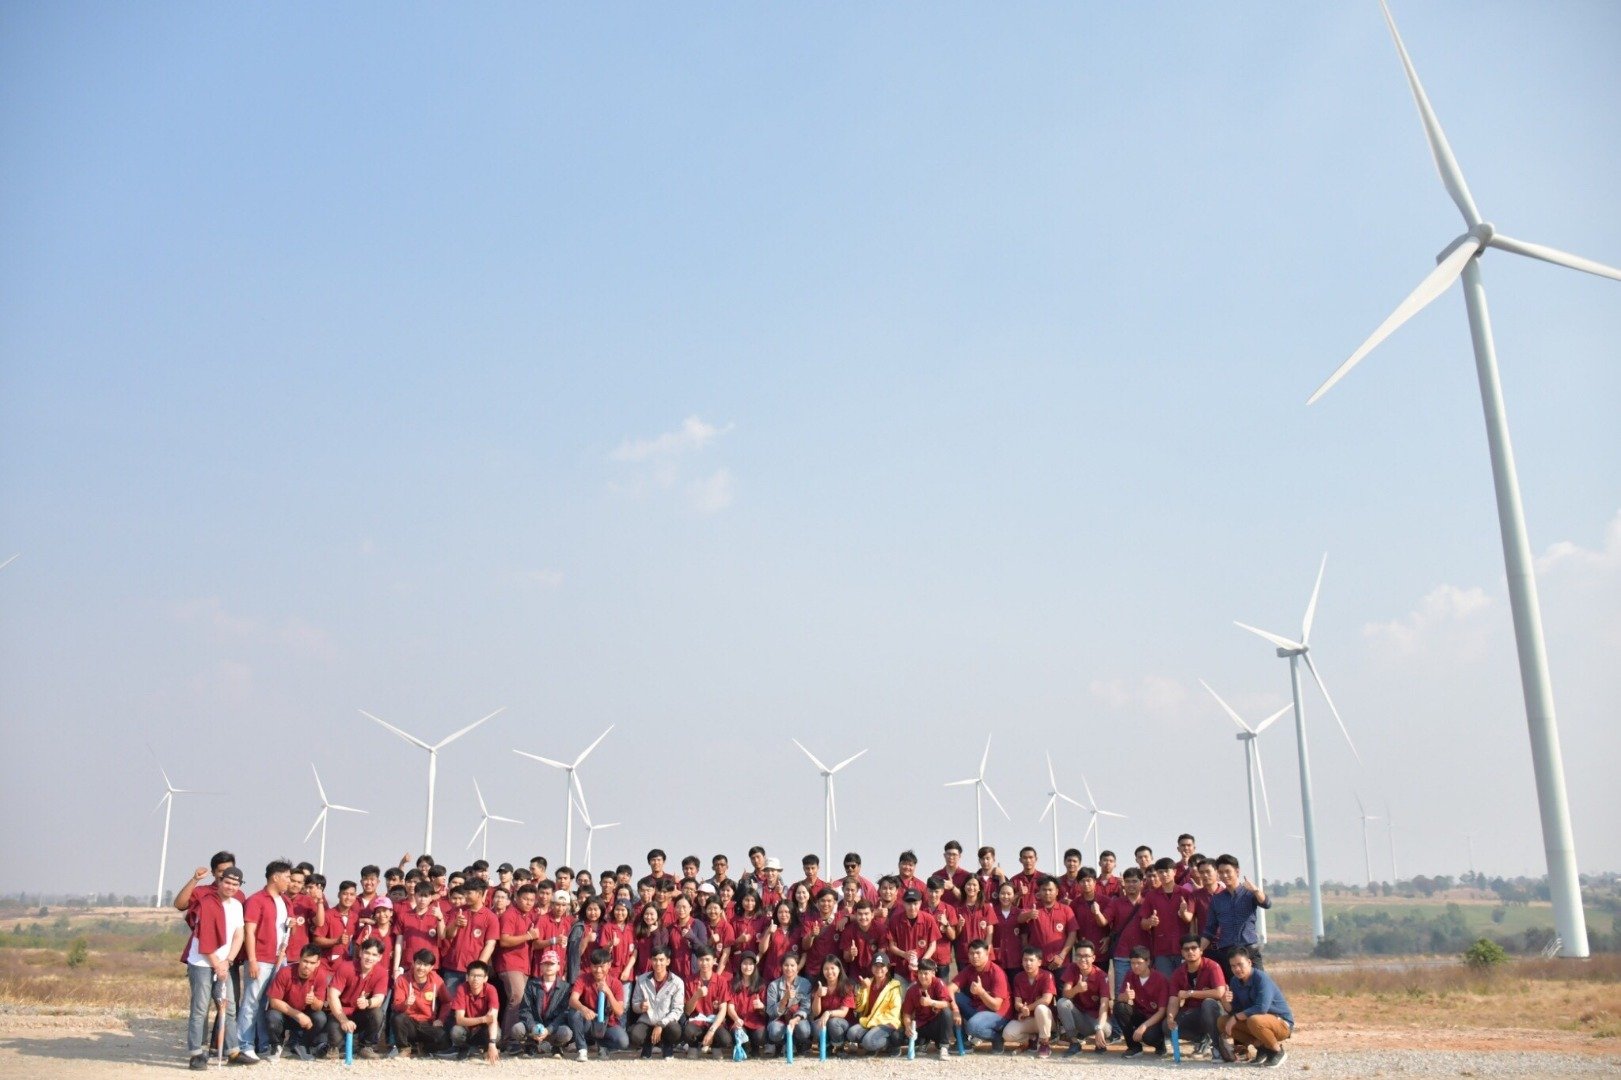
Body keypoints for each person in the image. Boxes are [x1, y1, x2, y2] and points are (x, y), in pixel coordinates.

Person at [182, 865, 248, 1070]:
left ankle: (233, 1051)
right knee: (200, 1009)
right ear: (219, 881)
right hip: (202, 962)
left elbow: (239, 935)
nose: (230, 887)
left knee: (228, 1008)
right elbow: (204, 937)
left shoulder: (237, 905)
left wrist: (228, 961)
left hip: (223, 963)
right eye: (227, 882)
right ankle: (196, 1054)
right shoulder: (207, 902)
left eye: (235, 884)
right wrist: (216, 964)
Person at [237, 859, 292, 1060]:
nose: (289, 881)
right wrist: (251, 959)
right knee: (251, 1002)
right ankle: (245, 1044)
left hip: (279, 960)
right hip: (260, 959)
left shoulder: (286, 901)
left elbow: (288, 928)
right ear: (275, 877)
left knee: (267, 1004)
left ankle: (263, 1044)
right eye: (286, 877)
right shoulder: (256, 900)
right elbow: (249, 932)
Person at [1221, 946, 1293, 1067]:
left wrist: (1235, 1018)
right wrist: (1224, 1001)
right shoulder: (1235, 981)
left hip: (1280, 1023)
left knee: (1254, 1019)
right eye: (1233, 966)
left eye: (1240, 964)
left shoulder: (1261, 978)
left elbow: (1261, 1008)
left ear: (1249, 962)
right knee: (1222, 1021)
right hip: (1256, 1022)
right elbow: (1236, 1010)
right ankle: (1262, 1048)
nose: (1237, 969)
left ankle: (1277, 1051)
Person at [1202, 854, 1271, 978]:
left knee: (1259, 983)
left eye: (1228, 871)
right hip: (1227, 951)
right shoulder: (1216, 900)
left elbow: (1266, 903)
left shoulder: (1249, 893)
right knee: (1234, 989)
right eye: (1221, 872)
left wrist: (1255, 890)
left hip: (1249, 948)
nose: (1224, 875)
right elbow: (1209, 930)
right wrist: (1199, 950)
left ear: (1237, 871)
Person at [1167, 934, 1232, 1061]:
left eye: (1194, 948)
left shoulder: (1212, 966)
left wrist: (1190, 993)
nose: (1190, 951)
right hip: (1193, 1013)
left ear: (1201, 950)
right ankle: (1201, 1039)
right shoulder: (1178, 972)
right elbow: (1173, 999)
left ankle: (1217, 1046)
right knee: (1166, 1026)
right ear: (1182, 952)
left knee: (1208, 1003)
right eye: (1186, 949)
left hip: (1215, 1012)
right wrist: (1170, 1017)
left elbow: (1219, 992)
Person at [324, 937, 388, 1059]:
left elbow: (379, 999)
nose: (369, 958)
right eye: (367, 953)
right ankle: (334, 1047)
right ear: (360, 952)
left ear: (380, 957)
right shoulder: (346, 967)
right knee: (334, 1049)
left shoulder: (382, 972)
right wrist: (343, 1020)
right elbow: (332, 995)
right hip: (340, 1012)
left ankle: (366, 1047)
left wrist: (368, 1002)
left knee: (377, 1013)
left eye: (374, 955)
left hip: (361, 1013)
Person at [264, 945, 329, 1061]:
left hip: (305, 1016)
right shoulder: (285, 972)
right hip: (286, 1015)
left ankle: (302, 1045)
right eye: (305, 961)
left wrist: (313, 1000)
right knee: (272, 1015)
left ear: (318, 963)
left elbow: (319, 1006)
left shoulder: (321, 975)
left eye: (312, 963)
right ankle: (276, 1046)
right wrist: (298, 1015)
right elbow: (273, 1001)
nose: (307, 966)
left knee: (321, 1017)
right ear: (299, 959)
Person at [567, 947, 631, 1060]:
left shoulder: (616, 983)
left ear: (609, 965)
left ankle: (603, 1046)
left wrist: (608, 992)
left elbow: (620, 1011)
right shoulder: (583, 978)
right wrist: (583, 1008)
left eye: (601, 966)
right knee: (574, 1013)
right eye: (595, 966)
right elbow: (573, 1000)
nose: (598, 970)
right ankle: (582, 1049)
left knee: (623, 1042)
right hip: (589, 1021)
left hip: (608, 1024)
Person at [1054, 941, 1111, 1056]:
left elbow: (1104, 1006)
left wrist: (1099, 1028)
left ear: (1093, 958)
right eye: (1079, 956)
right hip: (1080, 1018)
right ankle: (1074, 1042)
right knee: (1062, 1002)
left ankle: (1099, 1040)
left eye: (1086, 956)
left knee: (1105, 1029)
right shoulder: (1072, 968)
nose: (1082, 959)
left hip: (1096, 1020)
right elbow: (1065, 993)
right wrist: (1077, 989)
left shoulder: (1102, 976)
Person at [515, 948, 574, 1056]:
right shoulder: (532, 984)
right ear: (541, 966)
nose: (548, 967)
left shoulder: (565, 987)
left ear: (558, 967)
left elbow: (564, 1013)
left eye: (552, 964)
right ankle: (531, 1044)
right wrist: (533, 1026)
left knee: (566, 1033)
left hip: (554, 1026)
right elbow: (525, 1009)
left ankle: (556, 1046)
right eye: (545, 964)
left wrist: (549, 1029)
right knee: (517, 1029)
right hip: (535, 1024)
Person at [951, 939, 1010, 1048]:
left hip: (999, 1015)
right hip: (979, 1009)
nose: (974, 956)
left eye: (978, 953)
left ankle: (997, 1038)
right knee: (952, 999)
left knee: (973, 1027)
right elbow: (950, 989)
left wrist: (981, 992)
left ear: (987, 953)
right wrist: (955, 1010)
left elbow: (996, 1006)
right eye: (971, 953)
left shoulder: (997, 972)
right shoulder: (970, 969)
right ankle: (963, 1042)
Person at [1114, 946, 1170, 1058]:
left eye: (1139, 963)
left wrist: (1143, 1027)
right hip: (1140, 1014)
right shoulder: (1130, 975)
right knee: (1120, 1007)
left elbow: (1162, 1011)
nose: (1135, 966)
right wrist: (1125, 996)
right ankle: (1134, 1047)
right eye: (1132, 963)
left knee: (1149, 1036)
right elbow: (1119, 997)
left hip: (1155, 1019)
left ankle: (1160, 1045)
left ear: (1148, 961)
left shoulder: (1160, 979)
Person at [630, 945, 685, 1059]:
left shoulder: (677, 982)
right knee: (635, 1035)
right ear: (650, 961)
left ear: (668, 961)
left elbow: (677, 1010)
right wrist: (640, 1006)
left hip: (666, 1023)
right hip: (647, 1021)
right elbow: (634, 1005)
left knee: (675, 1030)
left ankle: (667, 1045)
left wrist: (660, 1024)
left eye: (661, 960)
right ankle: (647, 1045)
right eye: (655, 959)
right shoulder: (642, 979)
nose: (658, 963)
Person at [1001, 947, 1055, 1058]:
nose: (1028, 963)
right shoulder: (1018, 978)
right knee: (1007, 1033)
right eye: (1025, 960)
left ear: (1039, 962)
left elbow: (1046, 999)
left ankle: (1044, 1043)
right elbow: (1017, 1002)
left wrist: (1028, 1008)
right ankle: (1032, 1039)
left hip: (1046, 1020)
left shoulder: (1047, 976)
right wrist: (1022, 1008)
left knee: (1041, 1008)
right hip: (1028, 1019)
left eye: (1031, 960)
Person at [392, 947, 447, 1057]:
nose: (421, 968)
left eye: (426, 965)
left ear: (431, 967)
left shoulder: (437, 980)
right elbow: (396, 1006)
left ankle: (423, 1049)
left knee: (444, 1040)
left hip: (428, 1023)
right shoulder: (402, 979)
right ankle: (404, 1049)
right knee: (397, 1018)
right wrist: (406, 1003)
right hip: (409, 1022)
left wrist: (440, 1019)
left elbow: (447, 1002)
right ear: (413, 963)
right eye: (419, 963)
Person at [846, 951, 904, 1054]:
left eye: (882, 966)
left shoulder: (894, 986)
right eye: (876, 966)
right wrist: (863, 989)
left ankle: (890, 1044)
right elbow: (859, 1008)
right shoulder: (868, 982)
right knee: (851, 1033)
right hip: (869, 1021)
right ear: (871, 968)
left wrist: (874, 1023)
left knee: (868, 1042)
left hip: (887, 1023)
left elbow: (894, 1012)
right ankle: (874, 1042)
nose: (879, 969)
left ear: (887, 968)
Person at [901, 958, 956, 1060]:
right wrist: (908, 1026)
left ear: (933, 973)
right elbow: (906, 1013)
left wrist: (931, 1002)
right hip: (921, 1025)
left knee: (946, 1012)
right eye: (920, 973)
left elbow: (947, 1004)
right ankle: (923, 1041)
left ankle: (944, 1047)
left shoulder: (939, 983)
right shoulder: (912, 989)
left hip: (937, 1024)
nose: (922, 976)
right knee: (904, 1036)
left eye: (926, 973)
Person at [447, 959, 501, 1062]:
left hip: (483, 1029)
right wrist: (483, 1019)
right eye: (472, 975)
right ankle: (464, 1048)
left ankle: (487, 1048)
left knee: (497, 1034)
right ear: (467, 977)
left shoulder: (491, 990)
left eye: (479, 976)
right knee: (456, 1031)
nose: (475, 979)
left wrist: (492, 1043)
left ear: (486, 978)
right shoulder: (461, 989)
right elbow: (459, 1020)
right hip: (466, 1029)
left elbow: (492, 1019)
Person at [683, 946, 732, 1054]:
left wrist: (712, 1030)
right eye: (701, 959)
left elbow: (723, 1010)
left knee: (725, 1039)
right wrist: (696, 995)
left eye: (707, 959)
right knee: (687, 1032)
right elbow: (687, 1011)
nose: (704, 963)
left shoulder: (721, 981)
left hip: (715, 1022)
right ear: (697, 961)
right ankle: (694, 1046)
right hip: (697, 1021)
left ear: (714, 961)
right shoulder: (689, 981)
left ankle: (714, 1045)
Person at [764, 951, 812, 1055]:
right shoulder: (773, 985)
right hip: (779, 1018)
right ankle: (780, 1045)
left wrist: (796, 1019)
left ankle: (798, 1044)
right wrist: (784, 999)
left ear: (797, 966)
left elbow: (806, 1007)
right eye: (786, 965)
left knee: (804, 1030)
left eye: (792, 965)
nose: (789, 968)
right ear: (781, 967)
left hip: (797, 1018)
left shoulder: (805, 983)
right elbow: (771, 1012)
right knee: (774, 1031)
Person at [725, 951, 769, 1056]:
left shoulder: (761, 984)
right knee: (738, 1032)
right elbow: (730, 1007)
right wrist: (736, 1019)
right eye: (745, 963)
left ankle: (755, 1046)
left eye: (750, 964)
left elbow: (768, 1010)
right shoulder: (733, 983)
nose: (747, 967)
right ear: (740, 965)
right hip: (738, 1021)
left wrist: (762, 1006)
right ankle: (744, 1045)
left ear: (755, 966)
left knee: (760, 1037)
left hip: (756, 1022)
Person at [810, 956, 856, 1050]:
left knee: (833, 1022)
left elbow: (843, 1013)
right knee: (815, 1025)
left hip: (843, 1024)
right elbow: (816, 1013)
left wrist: (828, 1013)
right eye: (826, 969)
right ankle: (826, 1046)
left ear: (839, 969)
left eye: (832, 968)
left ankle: (839, 1045)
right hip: (825, 1022)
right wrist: (818, 996)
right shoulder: (819, 986)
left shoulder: (847, 986)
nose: (829, 972)